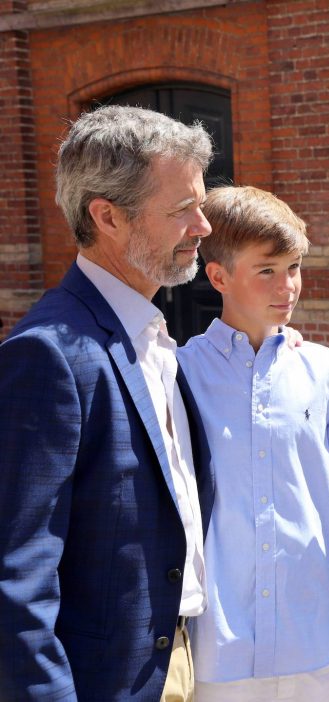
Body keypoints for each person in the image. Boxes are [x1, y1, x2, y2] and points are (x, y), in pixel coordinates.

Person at [0, 105, 215, 700]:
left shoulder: (152, 335)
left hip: (176, 660)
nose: (202, 226)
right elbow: (17, 578)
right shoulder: (49, 355)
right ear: (107, 216)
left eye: (200, 203)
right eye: (181, 211)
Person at [176, 185, 329, 702]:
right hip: (219, 652)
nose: (287, 286)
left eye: (293, 267)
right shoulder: (178, 373)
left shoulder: (323, 370)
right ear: (218, 276)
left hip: (313, 644)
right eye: (266, 270)